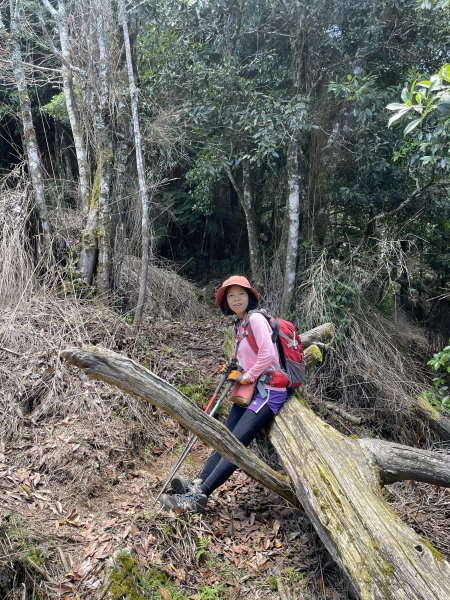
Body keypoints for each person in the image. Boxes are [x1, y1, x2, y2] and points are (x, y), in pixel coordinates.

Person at [159, 275, 288, 514]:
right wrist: (236, 367)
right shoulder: (240, 325)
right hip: (250, 390)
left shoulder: (256, 319)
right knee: (223, 437)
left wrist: (247, 376)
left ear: (249, 296)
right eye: (231, 295)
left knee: (233, 444)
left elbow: (268, 355)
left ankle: (199, 497)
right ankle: (197, 483)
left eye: (240, 294)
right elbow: (248, 356)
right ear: (225, 301)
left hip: (268, 392)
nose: (236, 299)